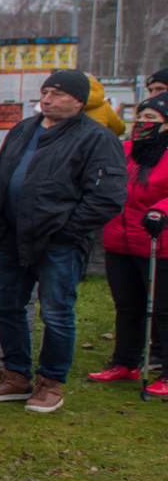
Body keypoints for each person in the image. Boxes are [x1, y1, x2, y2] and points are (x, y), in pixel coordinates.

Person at [0, 69, 129, 413]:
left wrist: (66, 232)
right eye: (45, 92)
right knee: (7, 306)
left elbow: (107, 197)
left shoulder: (97, 138)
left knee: (56, 312)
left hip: (58, 242)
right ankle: (16, 375)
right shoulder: (23, 130)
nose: (47, 99)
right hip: (11, 237)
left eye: (57, 94)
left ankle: (50, 382)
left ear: (79, 101)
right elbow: (3, 175)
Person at [87, 92, 168, 394]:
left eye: (151, 119)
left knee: (162, 310)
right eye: (140, 117)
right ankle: (126, 363)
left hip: (157, 241)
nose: (142, 123)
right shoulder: (124, 150)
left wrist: (162, 209)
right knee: (127, 306)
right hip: (118, 240)